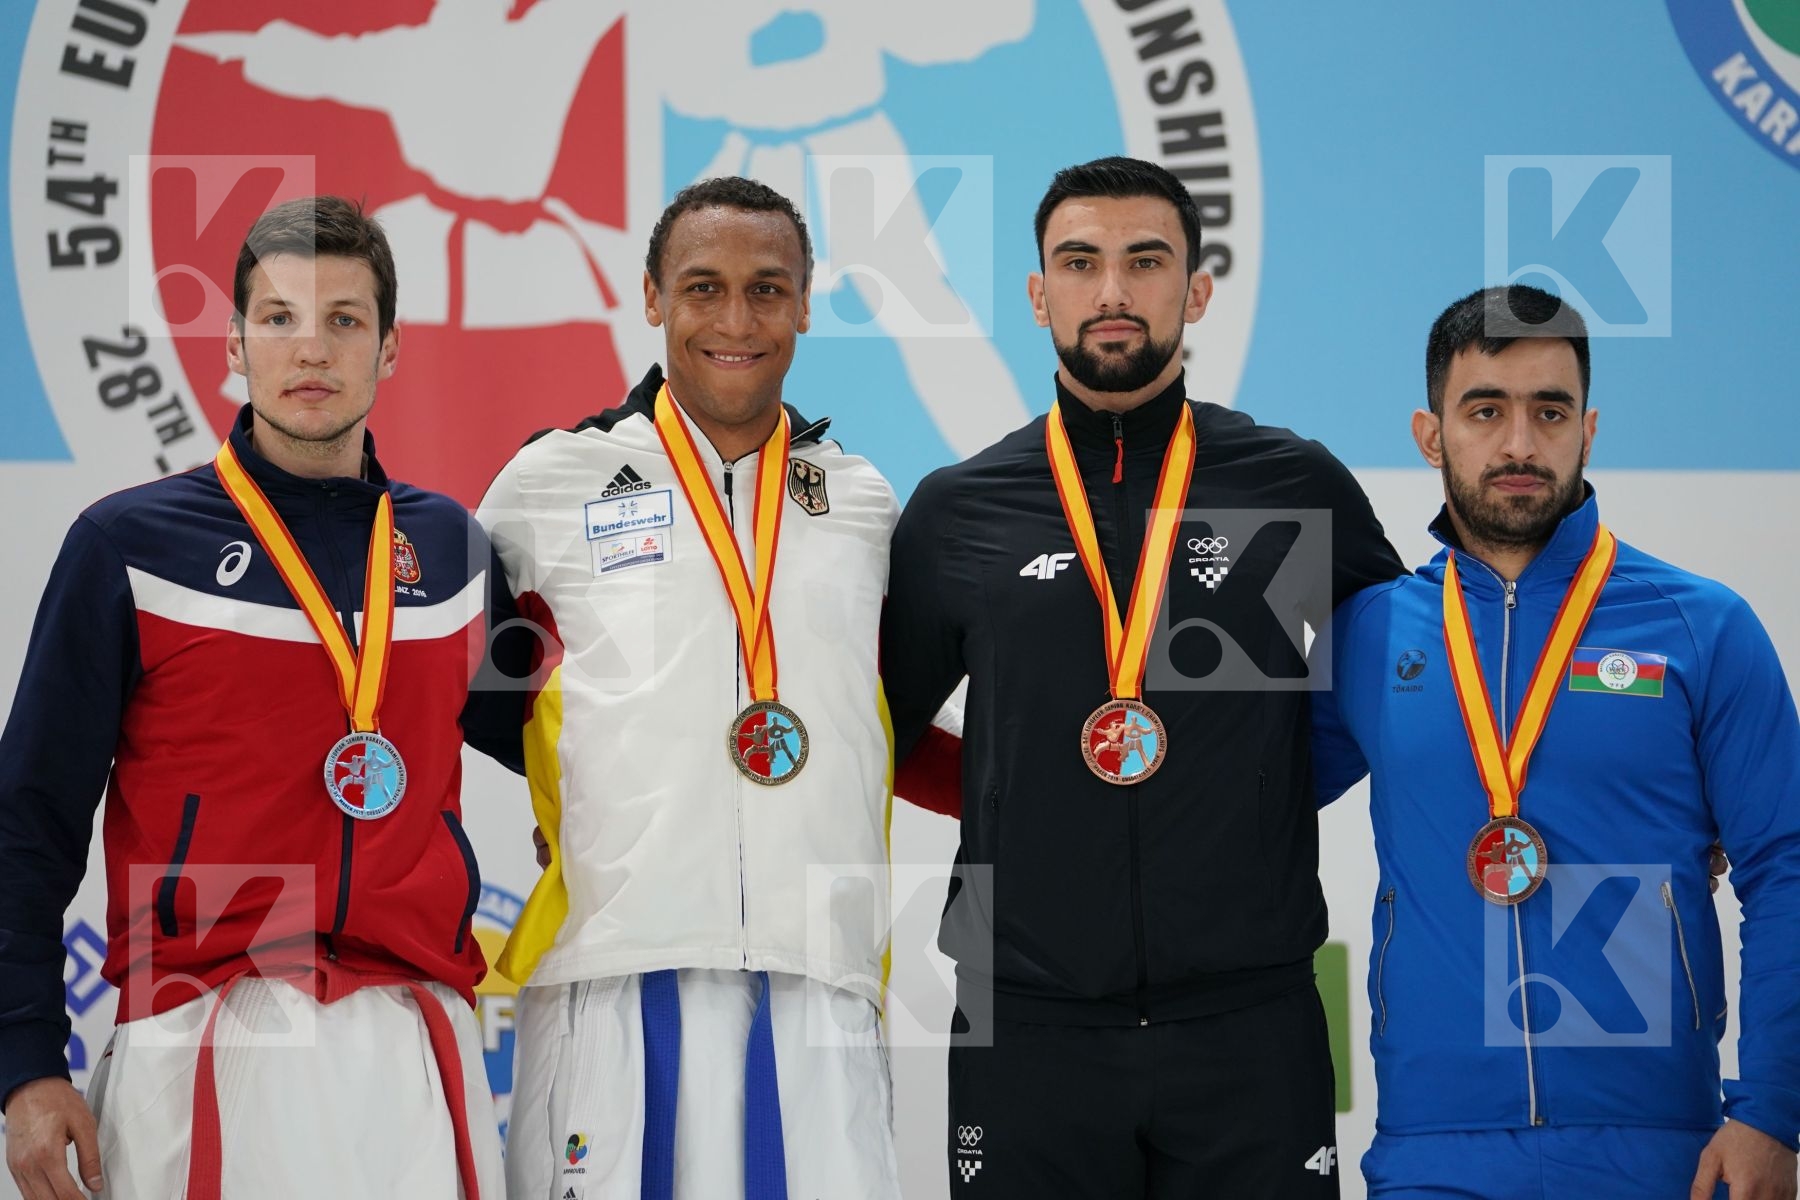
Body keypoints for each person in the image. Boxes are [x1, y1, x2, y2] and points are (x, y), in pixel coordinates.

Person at [879, 155, 1405, 1198]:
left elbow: (1413, 684)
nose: (1112, 292)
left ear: (1196, 290)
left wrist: (1259, 784)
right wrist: (1010, 792)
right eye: (1080, 263)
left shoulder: (1289, 482)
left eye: (1144, 262)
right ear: (1039, 295)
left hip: (1248, 1017)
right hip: (1021, 1012)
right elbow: (876, 735)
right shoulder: (959, 508)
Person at [0, 197, 514, 1200]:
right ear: (235, 343)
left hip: (415, 1037)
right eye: (278, 318)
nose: (309, 348)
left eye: (344, 319)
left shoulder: (453, 552)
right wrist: (23, 1062)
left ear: (391, 346)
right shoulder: (129, 546)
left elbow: (565, 747)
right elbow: (30, 819)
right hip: (206, 1028)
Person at [1310, 285, 1800, 1199]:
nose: (1520, 444)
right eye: (1485, 411)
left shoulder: (1700, 627)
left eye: (1550, 411)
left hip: (1663, 1148)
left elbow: (1788, 866)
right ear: (1430, 433)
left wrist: (1771, 1108)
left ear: (1590, 428)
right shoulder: (1370, 635)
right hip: (1431, 1148)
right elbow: (1237, 808)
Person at [476, 176, 903, 1199]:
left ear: (806, 304)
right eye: (703, 287)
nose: (736, 320)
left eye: (768, 290)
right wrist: (585, 788)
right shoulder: (550, 481)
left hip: (819, 975)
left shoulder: (861, 499)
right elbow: (465, 686)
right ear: (654, 298)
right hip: (613, 967)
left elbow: (892, 709)